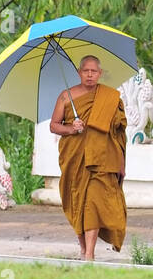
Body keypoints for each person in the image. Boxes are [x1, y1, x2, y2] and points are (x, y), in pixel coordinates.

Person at [49, 55, 126, 260]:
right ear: (79, 73)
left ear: (100, 74)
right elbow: (53, 126)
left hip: (101, 160)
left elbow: (118, 134)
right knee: (77, 203)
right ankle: (83, 250)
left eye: (94, 71)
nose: (90, 75)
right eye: (86, 71)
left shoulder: (110, 98)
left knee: (92, 202)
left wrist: (121, 164)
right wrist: (71, 128)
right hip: (74, 158)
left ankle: (90, 254)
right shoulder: (66, 96)